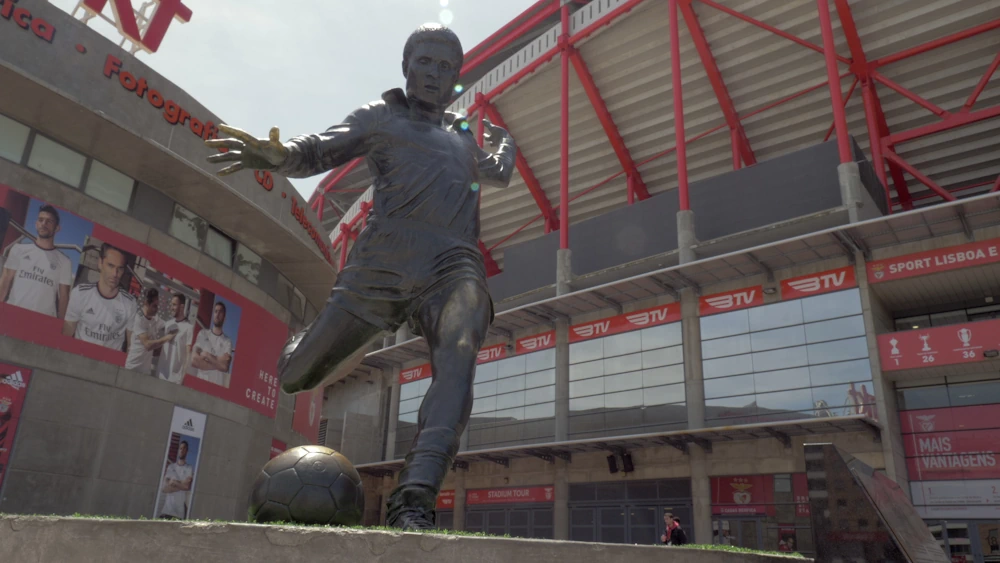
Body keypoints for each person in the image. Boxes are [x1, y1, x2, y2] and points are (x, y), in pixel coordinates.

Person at [205, 23, 516, 531]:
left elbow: (492, 171)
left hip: (451, 264)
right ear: (406, 68)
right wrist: (279, 156)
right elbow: (321, 149)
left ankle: (414, 497)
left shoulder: (459, 134)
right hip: (380, 268)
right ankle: (308, 337)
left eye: (445, 67)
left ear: (456, 77)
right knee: (296, 376)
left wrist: (505, 150)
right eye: (425, 62)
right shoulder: (382, 117)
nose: (434, 74)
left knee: (461, 347)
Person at [0, 204, 72, 318]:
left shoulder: (64, 261)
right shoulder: (18, 249)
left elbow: (63, 297)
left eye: (49, 221)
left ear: (57, 228)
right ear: (36, 224)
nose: (43, 224)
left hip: (43, 320)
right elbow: (5, 281)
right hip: (12, 313)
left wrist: (60, 325)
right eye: (41, 220)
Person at [62, 243, 137, 351]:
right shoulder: (80, 293)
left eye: (119, 269)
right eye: (110, 266)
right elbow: (66, 334)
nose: (115, 274)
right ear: (100, 263)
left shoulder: (130, 303)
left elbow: (132, 346)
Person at [124, 288, 174, 374]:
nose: (157, 309)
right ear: (146, 303)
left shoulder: (155, 319)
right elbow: (147, 345)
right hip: (132, 368)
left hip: (145, 371)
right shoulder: (139, 319)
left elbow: (168, 325)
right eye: (154, 306)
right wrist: (167, 338)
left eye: (157, 305)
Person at [190, 301, 233, 386]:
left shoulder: (227, 341)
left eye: (220, 312)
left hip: (216, 387)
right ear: (213, 314)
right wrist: (218, 363)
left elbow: (225, 367)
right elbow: (194, 360)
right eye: (216, 311)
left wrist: (207, 355)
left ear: (224, 318)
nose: (217, 314)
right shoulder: (202, 333)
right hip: (199, 384)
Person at [156, 293, 194, 384]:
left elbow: (188, 355)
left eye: (174, 305)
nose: (171, 307)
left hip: (175, 380)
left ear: (182, 307)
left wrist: (183, 378)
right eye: (171, 304)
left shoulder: (189, 328)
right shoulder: (168, 324)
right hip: (160, 375)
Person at [158, 440, 194, 520]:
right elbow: (164, 488)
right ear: (178, 450)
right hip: (166, 511)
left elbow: (186, 486)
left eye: (184, 448)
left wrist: (173, 482)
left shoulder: (189, 468)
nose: (182, 450)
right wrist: (181, 483)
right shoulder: (171, 467)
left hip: (178, 514)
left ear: (187, 451)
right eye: (180, 448)